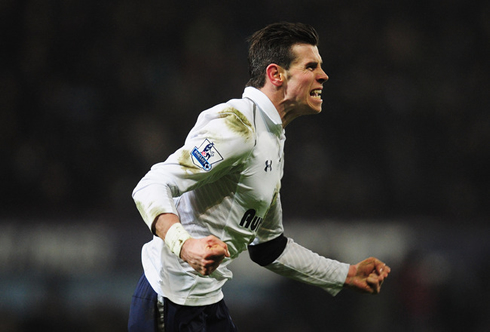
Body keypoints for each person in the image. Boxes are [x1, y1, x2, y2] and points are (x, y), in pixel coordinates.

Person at [128, 22, 391, 332]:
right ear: (276, 75)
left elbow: (269, 247)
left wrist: (345, 274)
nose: (323, 75)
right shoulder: (238, 127)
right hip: (169, 303)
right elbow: (152, 185)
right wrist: (185, 245)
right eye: (311, 66)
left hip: (206, 303)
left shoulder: (271, 136)